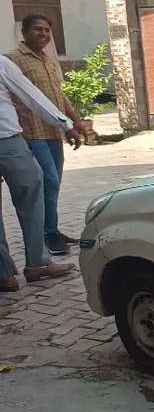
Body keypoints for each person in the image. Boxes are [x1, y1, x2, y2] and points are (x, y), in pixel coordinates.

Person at [5, 15, 87, 255]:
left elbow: (59, 97)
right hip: (32, 133)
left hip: (53, 130)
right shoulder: (12, 61)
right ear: (24, 32)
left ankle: (52, 229)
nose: (43, 34)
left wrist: (74, 122)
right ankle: (46, 235)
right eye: (38, 29)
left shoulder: (49, 60)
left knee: (54, 183)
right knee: (47, 181)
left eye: (47, 30)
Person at [0, 54, 80, 291]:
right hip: (8, 141)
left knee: (33, 190)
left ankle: (20, 268)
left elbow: (31, 96)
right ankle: (25, 267)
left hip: (9, 140)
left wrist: (64, 123)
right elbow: (32, 96)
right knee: (33, 193)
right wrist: (65, 124)